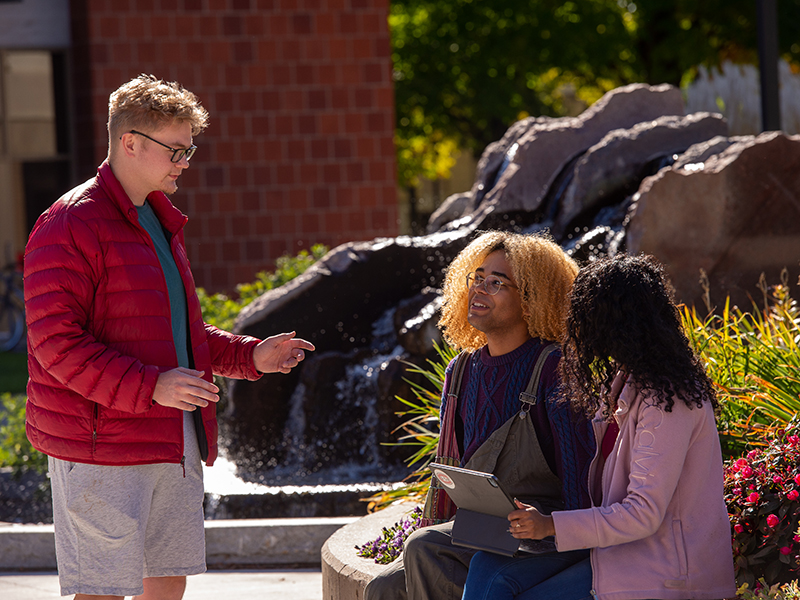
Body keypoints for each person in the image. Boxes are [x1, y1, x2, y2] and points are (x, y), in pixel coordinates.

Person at [23, 74, 315, 600]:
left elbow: (176, 332)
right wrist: (151, 386)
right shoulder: (67, 223)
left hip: (171, 435)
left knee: (168, 580)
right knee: (103, 590)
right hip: (99, 444)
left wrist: (253, 357)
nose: (186, 162)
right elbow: (54, 344)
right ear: (130, 143)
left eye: (189, 149)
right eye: (176, 149)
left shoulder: (158, 220)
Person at [462, 254, 737, 600]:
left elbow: (643, 514)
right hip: (613, 552)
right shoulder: (624, 385)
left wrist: (549, 525)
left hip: (664, 574)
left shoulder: (669, 401)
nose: (575, 327)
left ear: (614, 322)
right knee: (488, 568)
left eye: (585, 316)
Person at [364, 231, 596, 600]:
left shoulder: (555, 367)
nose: (480, 289)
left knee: (425, 549)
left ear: (532, 298)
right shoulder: (461, 371)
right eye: (477, 278)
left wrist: (551, 527)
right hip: (483, 531)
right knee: (384, 587)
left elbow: (582, 482)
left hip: (544, 537)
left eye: (497, 282)